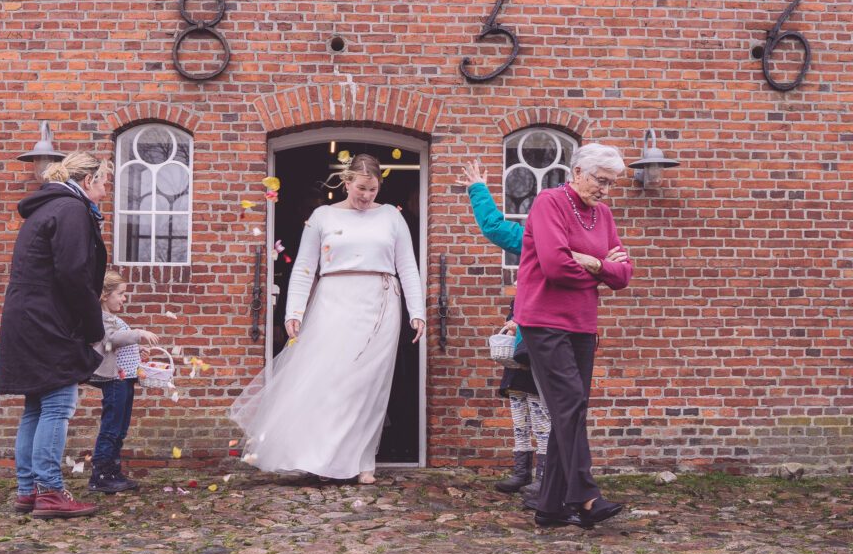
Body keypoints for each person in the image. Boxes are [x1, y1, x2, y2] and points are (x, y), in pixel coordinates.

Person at [230, 153, 425, 484]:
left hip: (380, 304)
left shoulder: (392, 217)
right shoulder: (322, 216)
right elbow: (305, 266)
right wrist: (294, 311)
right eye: (361, 188)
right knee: (330, 380)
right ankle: (318, 457)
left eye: (373, 190)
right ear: (347, 182)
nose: (366, 196)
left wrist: (416, 312)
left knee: (368, 385)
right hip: (333, 301)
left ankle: (363, 460)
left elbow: (407, 265)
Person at [458, 160, 628, 499]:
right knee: (533, 403)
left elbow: (621, 271)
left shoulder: (597, 223)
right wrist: (478, 189)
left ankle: (546, 484)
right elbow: (494, 227)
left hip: (572, 327)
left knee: (554, 408)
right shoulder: (533, 236)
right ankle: (535, 476)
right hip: (537, 330)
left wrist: (595, 264)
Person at [513, 143, 633, 529]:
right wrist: (601, 272)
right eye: (601, 180)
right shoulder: (550, 202)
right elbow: (555, 266)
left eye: (612, 184)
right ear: (577, 172)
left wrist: (594, 263)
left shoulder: (603, 215)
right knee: (568, 405)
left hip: (582, 323)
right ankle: (584, 495)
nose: (605, 190)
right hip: (544, 320)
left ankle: (550, 508)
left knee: (572, 409)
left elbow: (624, 275)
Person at [0, 151, 111, 519]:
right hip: (50, 320)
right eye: (105, 182)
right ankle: (49, 491)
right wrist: (94, 327)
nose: (106, 191)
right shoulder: (71, 210)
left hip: (27, 317)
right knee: (58, 405)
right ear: (88, 180)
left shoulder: (47, 208)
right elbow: (74, 273)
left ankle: (29, 490)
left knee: (36, 406)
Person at [87, 270, 159, 494]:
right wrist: (137, 333)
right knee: (111, 426)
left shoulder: (115, 318)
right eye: (120, 294)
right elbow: (109, 341)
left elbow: (118, 346)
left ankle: (113, 470)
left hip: (125, 379)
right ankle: (100, 474)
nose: (123, 298)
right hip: (114, 379)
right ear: (105, 295)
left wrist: (138, 351)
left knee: (120, 427)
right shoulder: (100, 317)